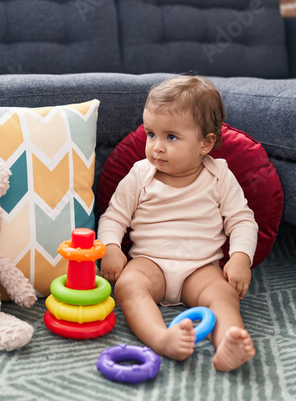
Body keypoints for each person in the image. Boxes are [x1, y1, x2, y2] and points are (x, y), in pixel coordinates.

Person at [98, 75, 258, 371]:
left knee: (223, 295)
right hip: (150, 264)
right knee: (128, 286)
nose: (156, 147)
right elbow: (114, 216)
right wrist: (110, 247)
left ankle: (228, 343)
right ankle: (161, 338)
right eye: (151, 134)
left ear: (206, 143)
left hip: (201, 268)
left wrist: (240, 258)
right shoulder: (139, 175)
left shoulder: (219, 176)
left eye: (171, 137)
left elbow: (242, 220)